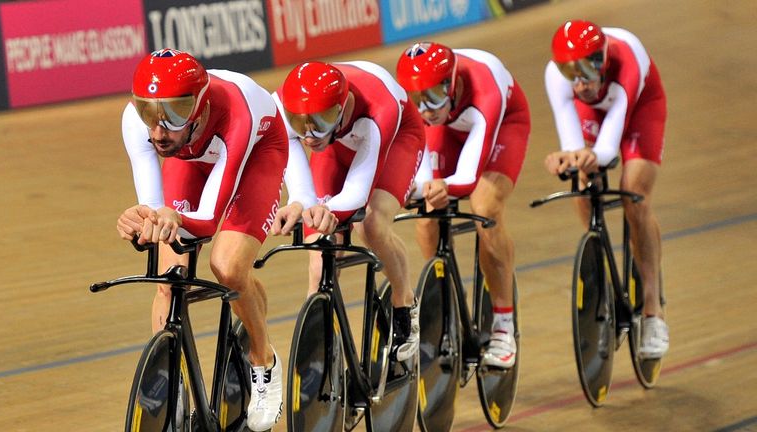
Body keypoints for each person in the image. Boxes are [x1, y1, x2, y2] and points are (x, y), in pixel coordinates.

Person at [115, 49, 285, 431]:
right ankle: (170, 383)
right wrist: (139, 222)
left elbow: (207, 223)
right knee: (167, 280)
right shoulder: (143, 125)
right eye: (150, 114)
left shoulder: (236, 114)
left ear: (200, 106)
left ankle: (264, 362)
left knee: (227, 266)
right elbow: (153, 210)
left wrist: (170, 220)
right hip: (190, 155)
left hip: (256, 152)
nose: (158, 132)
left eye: (173, 116)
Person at [269, 61, 424, 362]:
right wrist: (302, 201)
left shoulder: (381, 109)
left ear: (341, 107)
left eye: (320, 121)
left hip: (396, 141)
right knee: (320, 256)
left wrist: (330, 210)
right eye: (301, 124)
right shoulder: (285, 107)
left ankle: (405, 304)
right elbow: (291, 146)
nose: (309, 135)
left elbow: (356, 196)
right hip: (336, 146)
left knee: (372, 226)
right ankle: (323, 350)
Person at [396, 42, 530, 369]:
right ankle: (445, 302)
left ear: (452, 83)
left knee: (484, 208)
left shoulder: (487, 87)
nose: (425, 108)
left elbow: (468, 179)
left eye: (433, 96)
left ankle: (503, 324)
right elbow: (418, 163)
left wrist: (447, 186)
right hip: (449, 130)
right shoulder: (425, 109)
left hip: (501, 125)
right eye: (418, 98)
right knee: (428, 214)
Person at [543, 20, 669, 359]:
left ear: (602, 59)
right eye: (572, 73)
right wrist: (567, 157)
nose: (580, 82)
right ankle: (596, 250)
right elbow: (572, 142)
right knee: (584, 180)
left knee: (634, 194)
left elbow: (609, 149)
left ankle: (654, 311)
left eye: (587, 69)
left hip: (639, 108)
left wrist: (592, 154)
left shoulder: (628, 60)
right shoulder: (557, 77)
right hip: (597, 114)